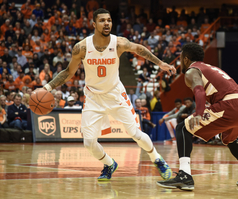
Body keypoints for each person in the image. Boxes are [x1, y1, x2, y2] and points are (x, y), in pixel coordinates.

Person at [37, 8, 176, 181]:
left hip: (115, 95)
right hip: (93, 98)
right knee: (88, 143)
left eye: (109, 20)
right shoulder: (81, 47)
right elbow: (68, 71)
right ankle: (110, 163)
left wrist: (160, 63)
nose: (107, 23)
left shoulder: (118, 43)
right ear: (94, 24)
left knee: (135, 134)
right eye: (102, 20)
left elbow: (139, 49)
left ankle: (157, 159)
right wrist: (47, 88)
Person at [157, 43, 238, 190]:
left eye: (181, 58)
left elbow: (199, 91)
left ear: (186, 59)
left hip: (230, 106)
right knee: (229, 138)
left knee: (183, 128)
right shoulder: (212, 68)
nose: (181, 61)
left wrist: (199, 114)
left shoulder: (192, 71)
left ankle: (184, 175)